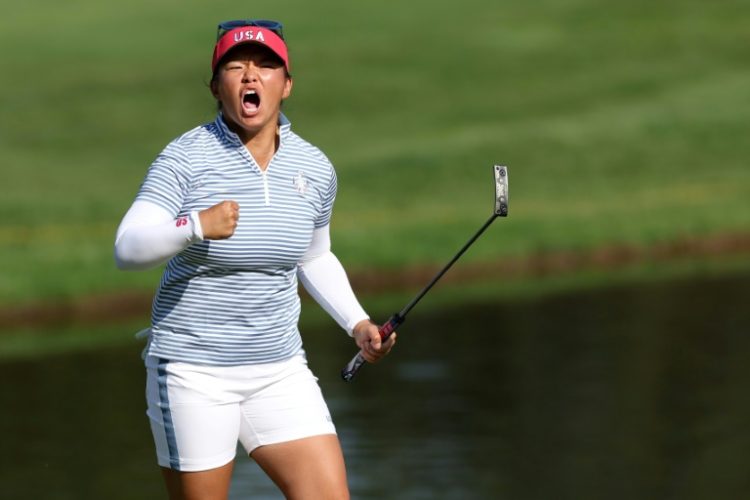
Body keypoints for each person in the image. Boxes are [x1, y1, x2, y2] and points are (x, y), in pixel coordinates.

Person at [114, 19, 396, 499]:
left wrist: (357, 323)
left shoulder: (314, 167)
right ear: (216, 86)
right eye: (236, 66)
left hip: (279, 369)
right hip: (193, 372)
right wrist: (196, 226)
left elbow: (315, 255)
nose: (251, 76)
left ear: (285, 85)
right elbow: (128, 247)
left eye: (266, 66)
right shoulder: (185, 158)